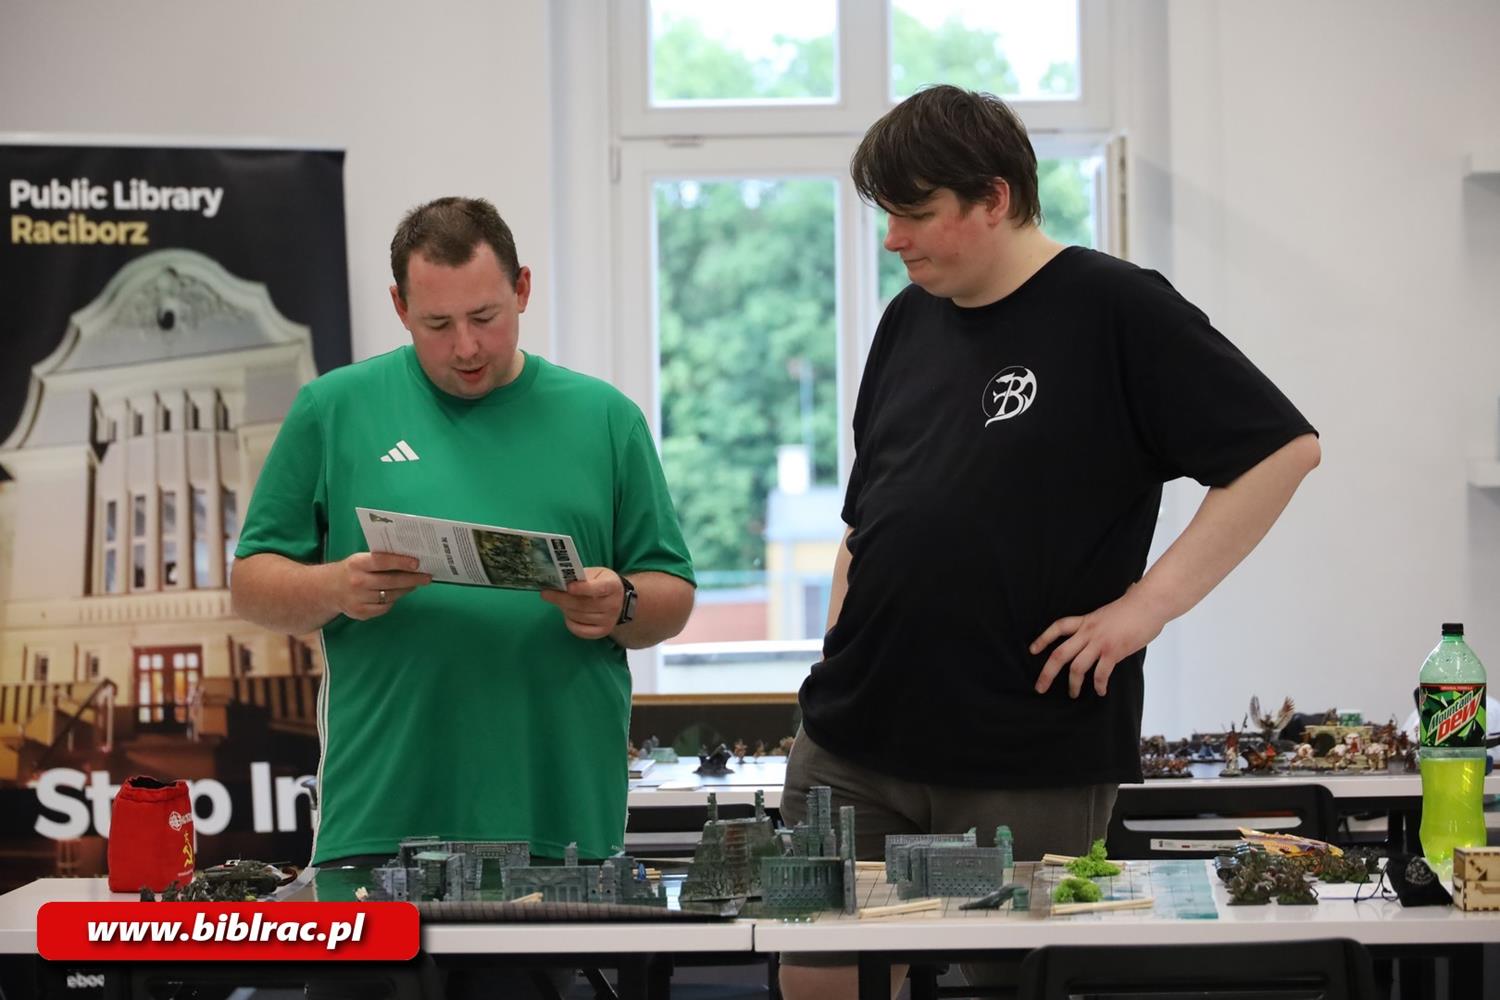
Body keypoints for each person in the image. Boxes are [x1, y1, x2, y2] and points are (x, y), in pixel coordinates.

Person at [779, 86, 1320, 1000]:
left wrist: (1143, 610)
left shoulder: (1116, 308)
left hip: (1024, 747)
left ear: (993, 198)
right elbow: (868, 520)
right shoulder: (908, 319)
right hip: (854, 737)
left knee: (1014, 980)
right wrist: (840, 644)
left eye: (915, 214)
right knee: (819, 974)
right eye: (886, 215)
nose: (893, 239)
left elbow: (1282, 450)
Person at [231, 196, 696, 872]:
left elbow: (672, 595)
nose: (467, 347)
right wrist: (335, 587)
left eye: (485, 317)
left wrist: (620, 601)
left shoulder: (605, 419)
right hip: (381, 813)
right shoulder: (333, 409)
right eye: (438, 324)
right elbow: (251, 584)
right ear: (400, 308)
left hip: (560, 817)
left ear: (523, 289)